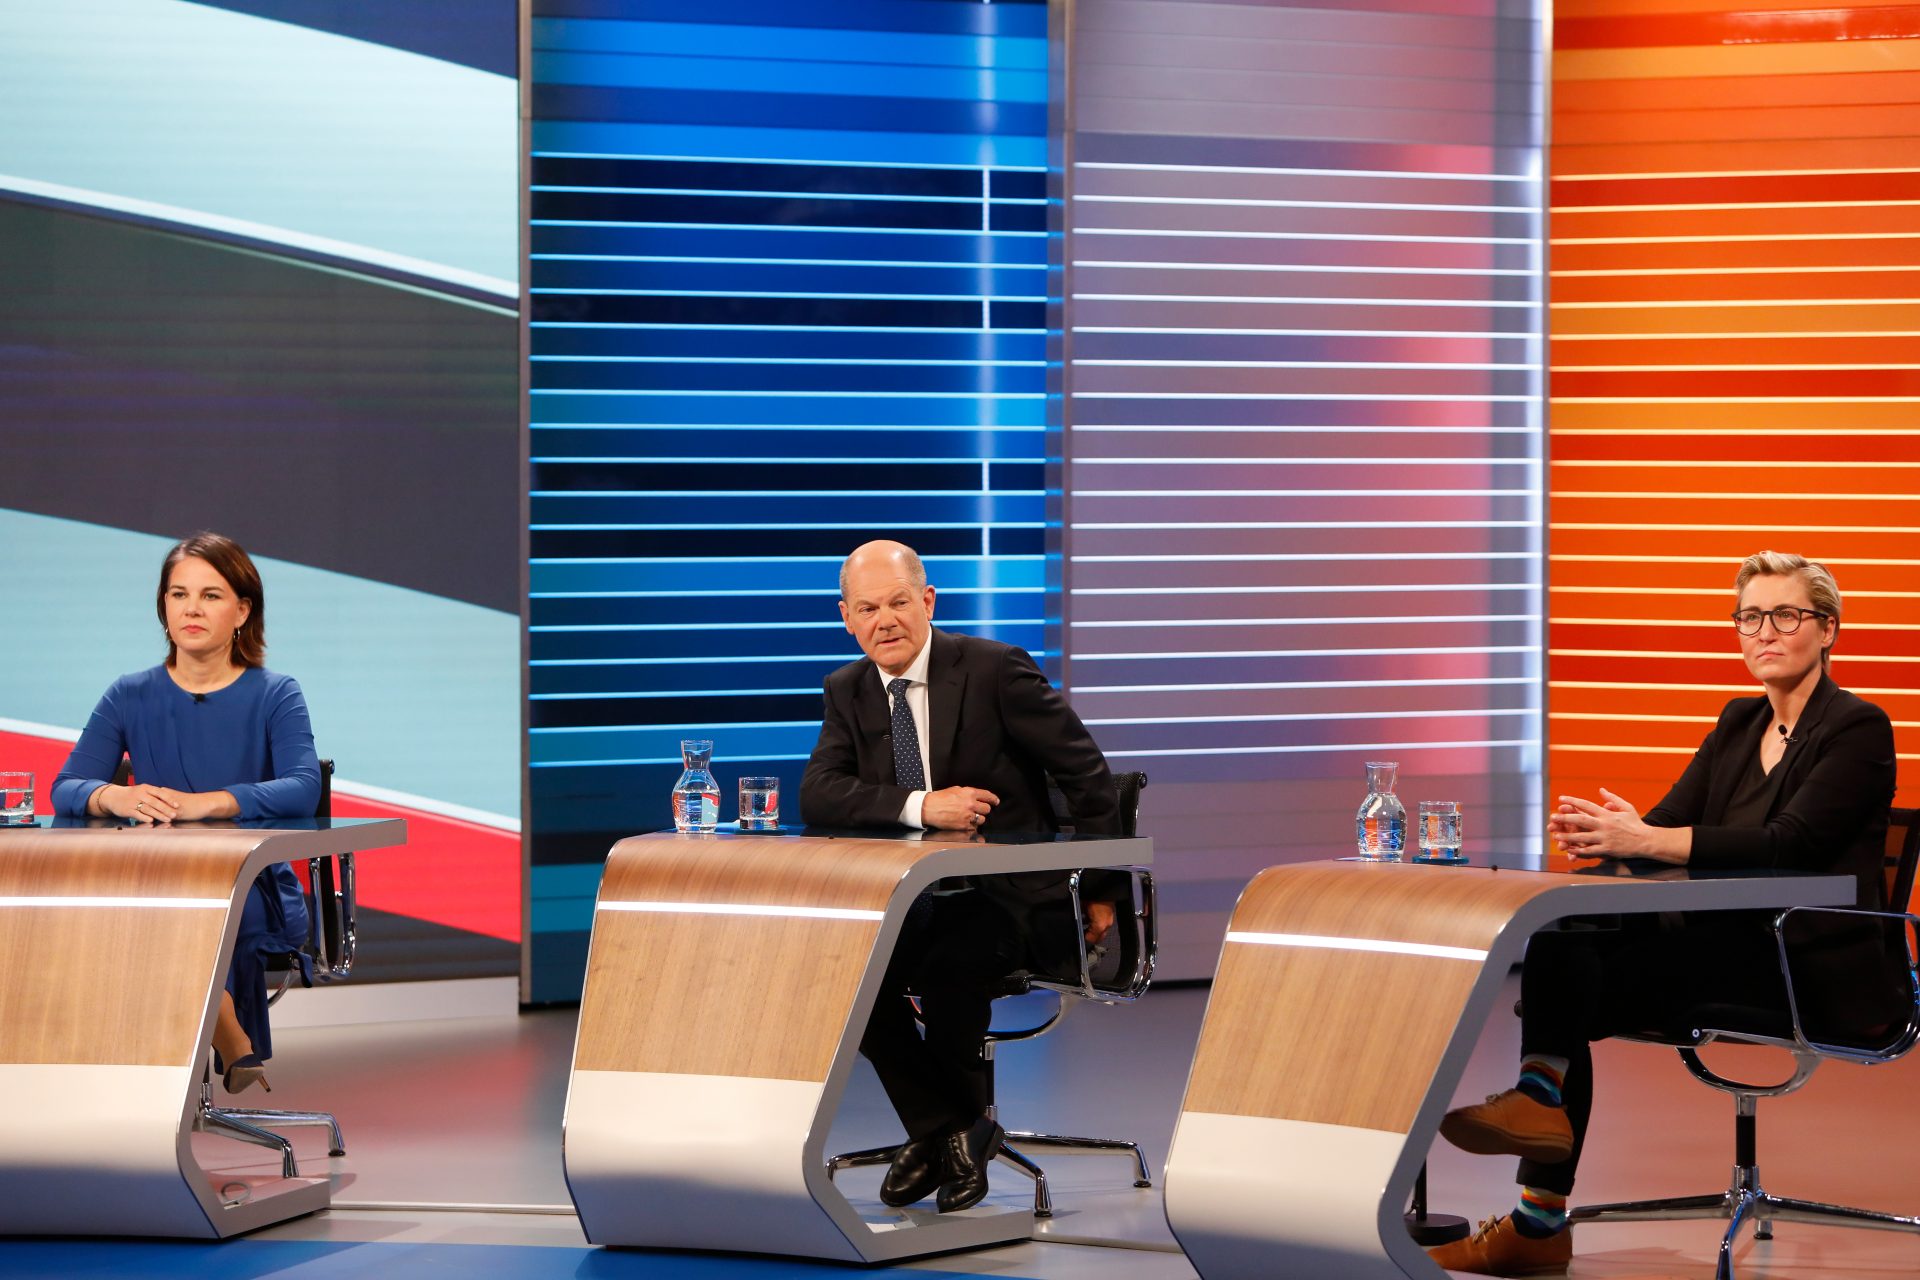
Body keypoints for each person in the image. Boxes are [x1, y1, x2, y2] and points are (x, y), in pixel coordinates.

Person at [1429, 551, 1899, 1276]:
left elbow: (1788, 847)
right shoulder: (1739, 722)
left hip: (1803, 966)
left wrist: (1648, 839)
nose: (1763, 632)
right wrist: (1621, 837)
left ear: (1828, 630)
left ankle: (1536, 1196)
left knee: (1569, 992)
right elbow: (1672, 825)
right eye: (1749, 616)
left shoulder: (1858, 729)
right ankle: (1538, 1120)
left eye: (1785, 615)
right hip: (1719, 948)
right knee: (1566, 932)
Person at [800, 540, 1124, 1214]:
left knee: (953, 963)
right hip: (914, 903)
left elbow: (1088, 777)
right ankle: (952, 1131)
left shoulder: (994, 669)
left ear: (927, 602)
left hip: (1011, 902)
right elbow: (821, 792)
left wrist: (1098, 888)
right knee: (843, 975)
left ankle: (939, 1137)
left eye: (896, 602)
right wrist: (922, 806)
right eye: (867, 608)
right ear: (847, 618)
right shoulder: (847, 689)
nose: (883, 620)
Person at [51, 532, 321, 1095]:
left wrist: (215, 803)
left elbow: (303, 786)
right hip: (155, 879)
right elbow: (67, 786)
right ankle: (231, 1041)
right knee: (137, 911)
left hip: (252, 886)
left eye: (211, 595)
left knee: (184, 920)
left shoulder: (275, 694)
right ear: (164, 609)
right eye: (178, 595)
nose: (191, 609)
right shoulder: (129, 694)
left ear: (242, 610)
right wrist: (114, 796)